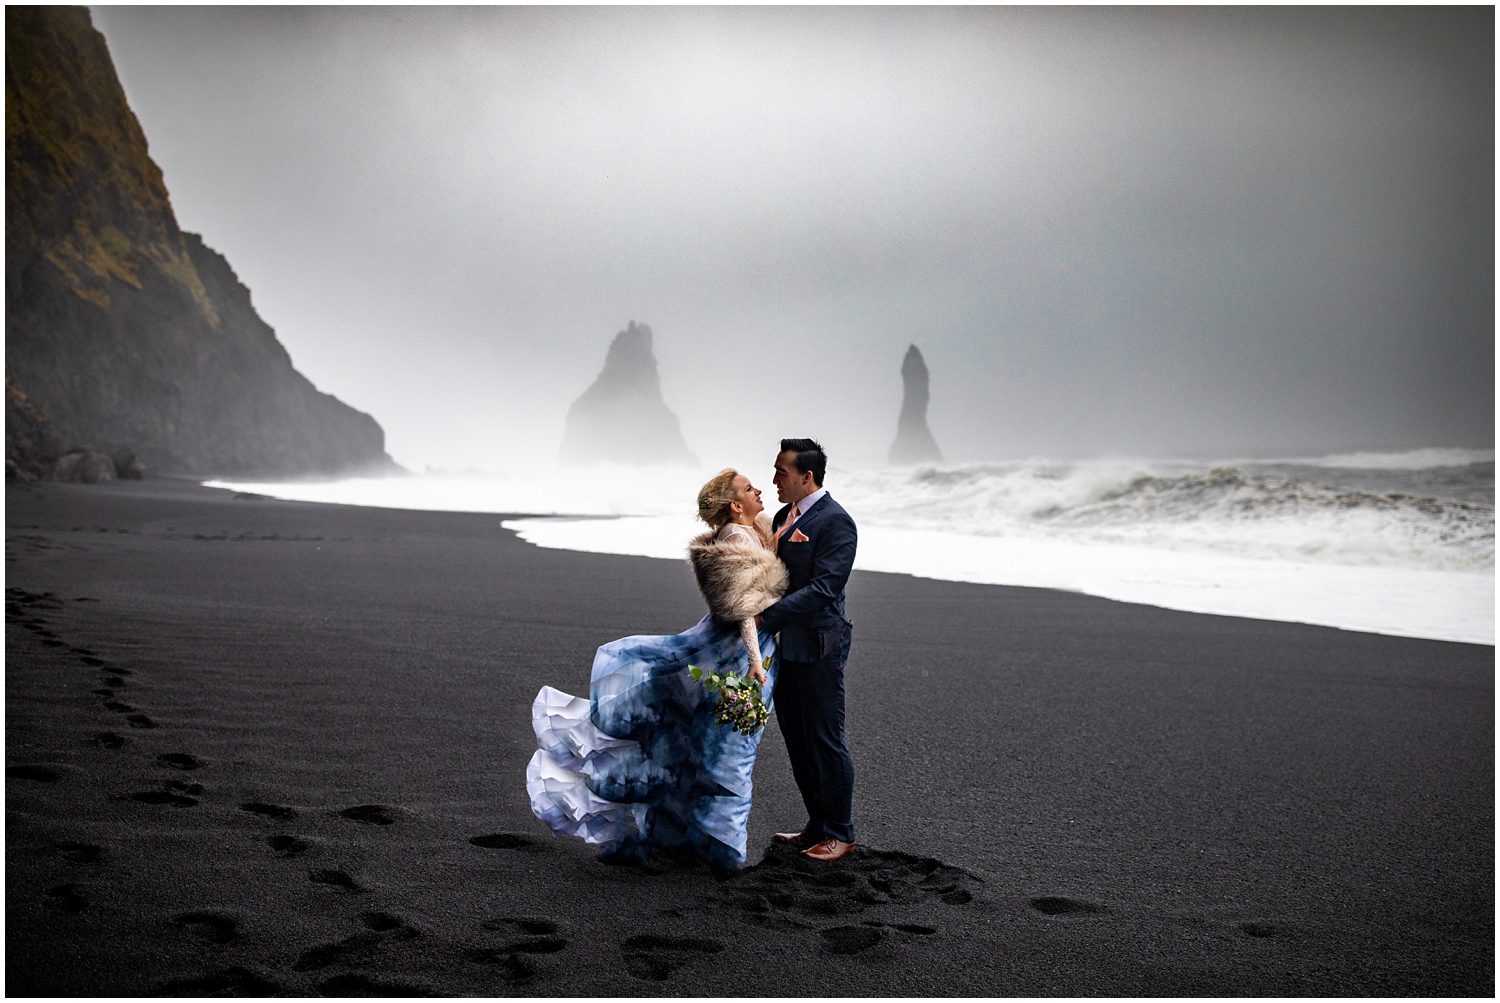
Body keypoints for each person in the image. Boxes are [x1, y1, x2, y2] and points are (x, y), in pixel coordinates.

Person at [526, 469, 786, 870]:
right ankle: (722, 852)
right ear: (735, 504)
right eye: (750, 488)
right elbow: (744, 608)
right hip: (735, 653)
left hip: (729, 647)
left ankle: (695, 841)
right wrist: (754, 659)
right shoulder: (738, 537)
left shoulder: (752, 531)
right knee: (728, 750)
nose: (759, 490)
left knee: (697, 742)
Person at [756, 437, 859, 862]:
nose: (774, 480)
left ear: (807, 476)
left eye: (781, 472)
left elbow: (824, 588)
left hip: (819, 645)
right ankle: (817, 825)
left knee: (824, 739)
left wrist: (766, 618)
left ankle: (840, 833)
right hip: (784, 647)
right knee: (797, 740)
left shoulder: (836, 522)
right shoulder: (784, 516)